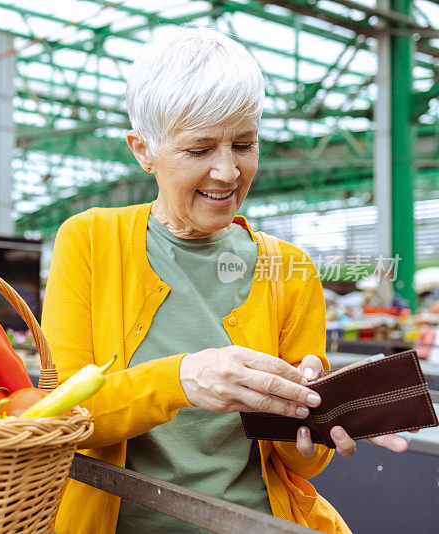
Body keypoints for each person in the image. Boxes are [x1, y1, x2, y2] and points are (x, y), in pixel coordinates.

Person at [42, 27, 408, 534]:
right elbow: (63, 419)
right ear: (143, 150)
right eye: (199, 149)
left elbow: (301, 467)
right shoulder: (89, 240)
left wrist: (313, 426)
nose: (227, 172)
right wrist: (183, 379)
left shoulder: (291, 269)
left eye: (244, 144)